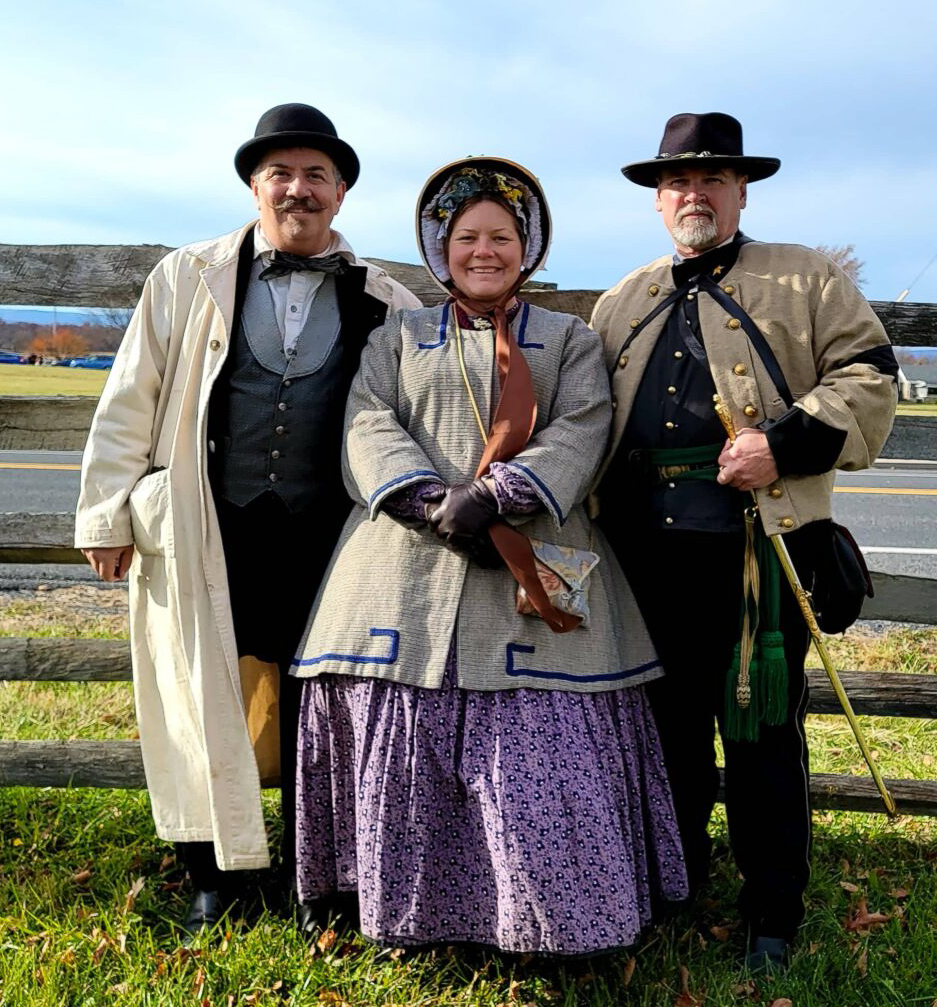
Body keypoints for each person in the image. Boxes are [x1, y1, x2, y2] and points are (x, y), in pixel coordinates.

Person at [288, 156, 688, 954]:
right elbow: (367, 421)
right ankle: (409, 913)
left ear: (526, 246)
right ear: (440, 247)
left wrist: (500, 496)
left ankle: (558, 921)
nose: (483, 251)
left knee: (542, 744)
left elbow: (584, 425)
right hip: (403, 564)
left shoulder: (569, 340)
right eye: (467, 236)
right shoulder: (397, 338)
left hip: (533, 557)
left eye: (501, 237)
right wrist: (430, 501)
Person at [74, 103, 421, 936]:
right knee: (199, 696)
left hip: (329, 536)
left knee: (321, 700)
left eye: (316, 176)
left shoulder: (389, 301)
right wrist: (106, 514)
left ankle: (316, 875)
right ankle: (213, 876)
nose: (298, 190)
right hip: (207, 521)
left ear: (340, 194)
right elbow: (130, 396)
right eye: (280, 174)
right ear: (255, 187)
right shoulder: (187, 276)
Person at [588, 112, 898, 972]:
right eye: (677, 182)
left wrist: (782, 445)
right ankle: (673, 884)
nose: (693, 194)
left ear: (740, 192)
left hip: (759, 551)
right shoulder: (622, 299)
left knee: (761, 733)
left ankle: (772, 908)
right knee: (665, 732)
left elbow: (870, 374)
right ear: (657, 200)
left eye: (711, 179)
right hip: (641, 560)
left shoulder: (805, 278)